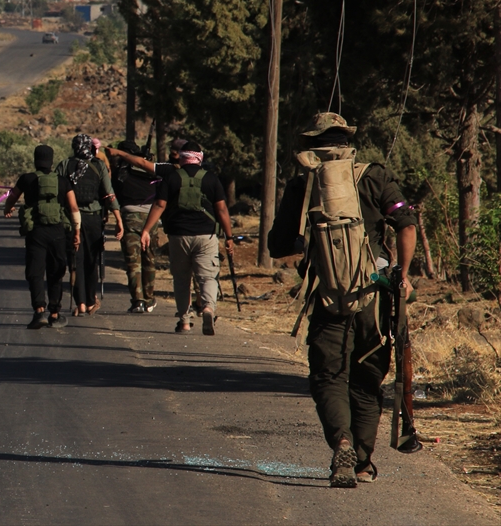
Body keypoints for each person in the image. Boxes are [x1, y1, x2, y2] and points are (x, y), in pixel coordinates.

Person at [268, 112, 417, 488]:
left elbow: (277, 245)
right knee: (367, 378)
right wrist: (402, 273)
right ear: (347, 142)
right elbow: (406, 223)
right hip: (375, 294)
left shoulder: (303, 183)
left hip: (327, 295)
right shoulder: (373, 175)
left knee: (328, 375)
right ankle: (364, 464)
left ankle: (342, 441)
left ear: (312, 145)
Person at [139, 141, 234, 335]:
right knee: (207, 276)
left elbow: (159, 205)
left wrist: (146, 230)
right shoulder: (211, 179)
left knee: (182, 279)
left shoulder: (172, 178)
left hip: (178, 236)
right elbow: (222, 209)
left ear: (182, 157)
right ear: (200, 157)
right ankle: (208, 308)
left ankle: (184, 320)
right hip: (206, 236)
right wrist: (229, 237)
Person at [3, 145, 81, 329]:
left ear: (35, 159)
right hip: (58, 233)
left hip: (36, 233)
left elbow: (12, 196)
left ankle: (39, 311)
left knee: (35, 272)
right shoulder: (63, 181)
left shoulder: (27, 179)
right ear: (52, 160)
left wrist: (7, 209)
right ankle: (55, 313)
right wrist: (76, 231)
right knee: (56, 272)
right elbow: (74, 208)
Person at [57, 134, 123, 316]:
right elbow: (109, 194)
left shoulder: (65, 165)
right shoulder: (99, 165)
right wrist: (118, 219)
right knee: (92, 260)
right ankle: (91, 299)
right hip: (94, 219)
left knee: (75, 261)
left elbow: (57, 191)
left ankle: (81, 303)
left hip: (72, 219)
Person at [106, 141, 173, 312]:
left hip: (129, 217)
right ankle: (149, 298)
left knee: (133, 262)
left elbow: (115, 194)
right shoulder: (150, 171)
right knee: (149, 259)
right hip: (151, 219)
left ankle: (138, 300)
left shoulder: (120, 173)